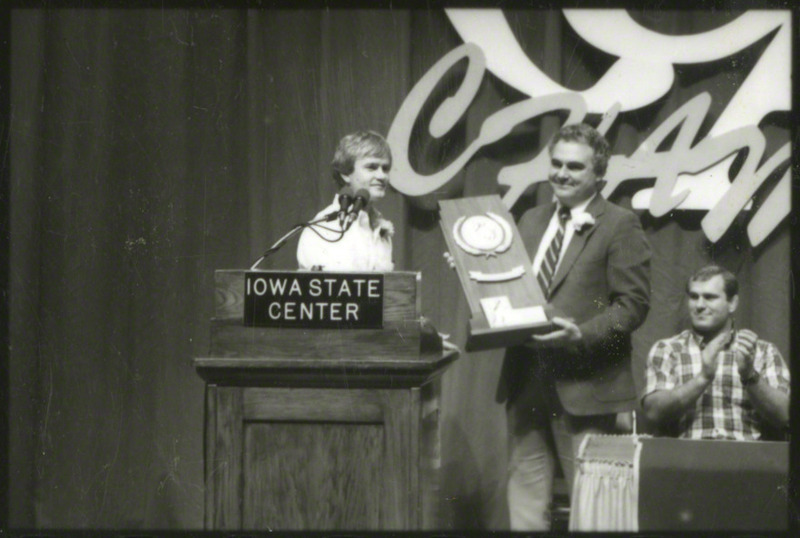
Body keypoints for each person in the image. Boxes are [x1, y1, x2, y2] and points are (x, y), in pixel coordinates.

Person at [498, 123, 651, 530]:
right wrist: (475, 271)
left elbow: (633, 306)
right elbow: (512, 286)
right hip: (526, 379)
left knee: (593, 511)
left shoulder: (620, 223)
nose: (562, 173)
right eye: (556, 163)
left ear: (599, 175)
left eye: (575, 167)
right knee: (525, 507)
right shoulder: (531, 218)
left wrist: (581, 334)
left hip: (587, 385)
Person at [641, 265, 789, 440]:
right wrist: (703, 378)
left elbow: (786, 416)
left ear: (732, 303)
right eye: (694, 297)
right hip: (686, 460)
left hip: (748, 460)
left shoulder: (763, 351)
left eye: (709, 297)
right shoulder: (668, 350)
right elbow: (653, 412)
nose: (700, 305)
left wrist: (750, 376)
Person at [296, 130, 395, 271]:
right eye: (371, 167)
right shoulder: (324, 227)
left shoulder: (380, 228)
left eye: (385, 168)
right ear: (346, 174)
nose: (382, 176)